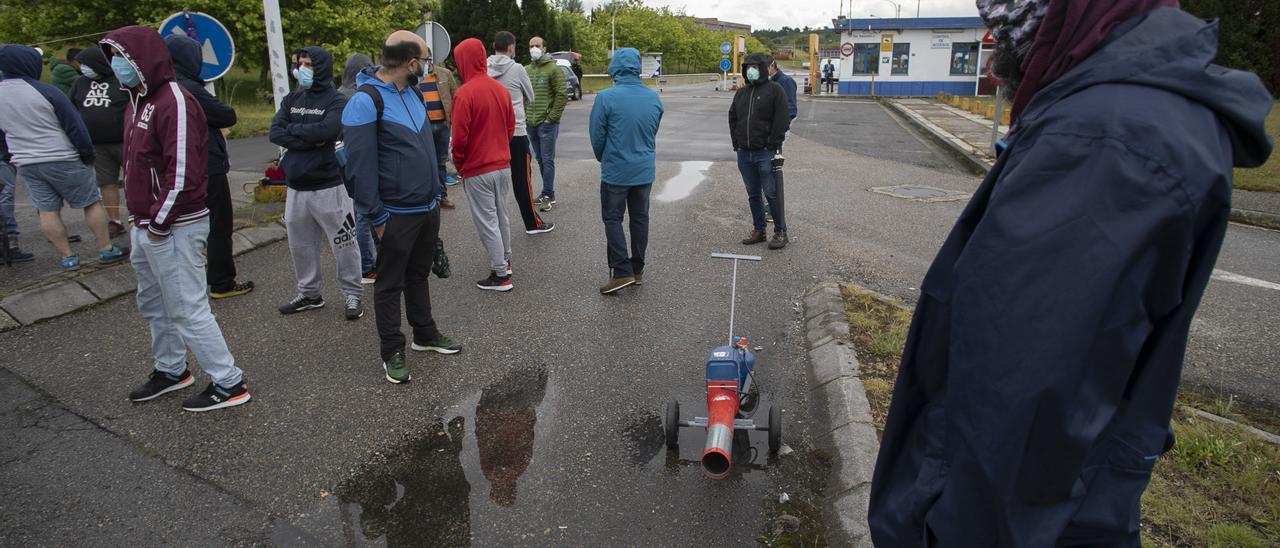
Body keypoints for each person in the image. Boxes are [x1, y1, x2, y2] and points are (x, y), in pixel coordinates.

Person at [868, 1, 1275, 546]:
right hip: (1067, 506)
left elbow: (1017, 415)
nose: (994, 50)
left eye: (1004, 27)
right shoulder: (1127, 115)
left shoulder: (1102, 141)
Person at [101, 26, 250, 412]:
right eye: (112, 56)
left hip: (174, 225)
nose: (116, 65)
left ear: (142, 59)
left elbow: (182, 172)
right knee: (154, 303)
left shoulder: (175, 101)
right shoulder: (136, 101)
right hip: (146, 222)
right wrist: (143, 221)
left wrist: (159, 223)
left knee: (187, 307)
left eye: (122, 56)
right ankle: (171, 369)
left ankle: (229, 382)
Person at [343, 30, 461, 383]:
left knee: (418, 275)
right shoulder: (365, 101)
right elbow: (359, 170)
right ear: (411, 63)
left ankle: (425, 335)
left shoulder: (412, 93)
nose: (428, 67)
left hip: (426, 207)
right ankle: (392, 350)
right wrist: (378, 218)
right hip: (394, 214)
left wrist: (436, 194)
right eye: (425, 60)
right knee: (389, 284)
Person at [0, 45, 126, 272]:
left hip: (26, 162)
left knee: (48, 210)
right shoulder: (46, 91)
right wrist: (87, 154)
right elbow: (74, 125)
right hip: (63, 156)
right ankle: (106, 248)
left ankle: (68, 257)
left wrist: (10, 155)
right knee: (90, 203)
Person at [269, 46, 362, 320]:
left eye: (308, 64)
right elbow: (275, 132)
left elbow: (328, 130)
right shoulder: (292, 99)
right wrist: (308, 137)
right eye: (300, 64)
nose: (302, 69)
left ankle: (353, 293)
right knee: (300, 246)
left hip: (330, 186)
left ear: (321, 67)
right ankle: (309, 294)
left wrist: (294, 132)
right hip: (297, 187)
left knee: (345, 244)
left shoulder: (336, 101)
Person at [165, 35, 255, 300]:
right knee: (218, 224)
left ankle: (183, 283)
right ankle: (222, 281)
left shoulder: (162, 86)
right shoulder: (189, 88)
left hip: (175, 168)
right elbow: (227, 115)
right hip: (206, 166)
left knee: (182, 225)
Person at [589, 48, 662, 294]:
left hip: (616, 171)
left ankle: (621, 271)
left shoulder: (606, 97)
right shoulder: (653, 98)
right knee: (640, 219)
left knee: (613, 218)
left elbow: (597, 137)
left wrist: (605, 157)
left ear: (614, 69)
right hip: (644, 170)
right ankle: (637, 269)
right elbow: (652, 130)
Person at [452, 37, 516, 292]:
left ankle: (500, 274)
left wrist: (460, 163)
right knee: (502, 216)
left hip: (478, 168)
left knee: (486, 221)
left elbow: (459, 138)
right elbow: (510, 127)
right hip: (502, 164)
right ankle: (506, 261)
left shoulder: (464, 94)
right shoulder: (499, 89)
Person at [488, 30, 553, 235]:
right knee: (522, 179)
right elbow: (530, 97)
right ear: (511, 47)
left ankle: (495, 226)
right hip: (516, 131)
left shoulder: (484, 68)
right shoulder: (517, 69)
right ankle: (532, 224)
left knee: (495, 181)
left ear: (493, 47)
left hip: (492, 133)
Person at [728, 52, 790, 250]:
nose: (751, 70)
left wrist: (772, 143)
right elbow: (733, 118)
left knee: (771, 194)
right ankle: (759, 229)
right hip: (744, 153)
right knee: (753, 194)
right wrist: (736, 143)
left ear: (763, 68)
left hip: (765, 152)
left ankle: (780, 232)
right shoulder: (742, 93)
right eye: (748, 67)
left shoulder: (775, 90)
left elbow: (782, 119)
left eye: (755, 66)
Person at [69, 46, 129, 238]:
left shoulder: (121, 80)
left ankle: (140, 214)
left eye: (86, 64)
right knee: (106, 183)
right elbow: (72, 107)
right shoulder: (79, 83)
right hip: (96, 144)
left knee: (134, 179)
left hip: (124, 141)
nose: (83, 68)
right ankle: (114, 221)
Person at [337, 53, 379, 284]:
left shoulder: (338, 94)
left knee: (359, 214)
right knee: (364, 216)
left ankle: (368, 264)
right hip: (360, 165)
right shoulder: (360, 97)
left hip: (343, 167)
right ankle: (367, 266)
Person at [524, 35, 567, 209]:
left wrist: (551, 118)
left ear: (544, 49)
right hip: (531, 122)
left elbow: (561, 94)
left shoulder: (553, 69)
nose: (534, 48)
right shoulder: (526, 70)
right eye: (531, 45)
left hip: (546, 124)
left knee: (547, 159)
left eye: (537, 45)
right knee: (541, 159)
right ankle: (547, 192)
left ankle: (549, 194)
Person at [417, 44, 459, 211]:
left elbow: (456, 97)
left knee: (441, 162)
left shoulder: (444, 74)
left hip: (442, 124)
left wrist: (453, 120)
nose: (424, 62)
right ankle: (428, 198)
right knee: (425, 163)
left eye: (425, 58)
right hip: (423, 127)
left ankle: (442, 196)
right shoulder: (413, 77)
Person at [0, 135, 35, 262]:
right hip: (3, 157)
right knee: (5, 198)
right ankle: (9, 246)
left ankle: (8, 245)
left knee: (4, 198)